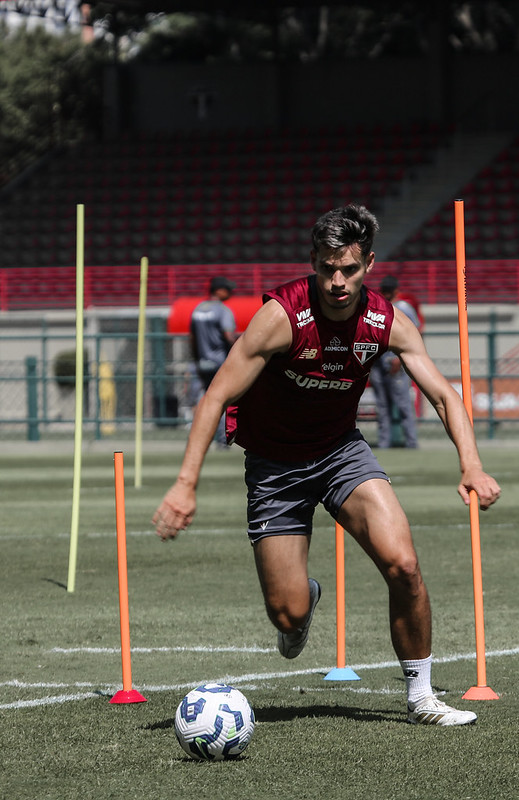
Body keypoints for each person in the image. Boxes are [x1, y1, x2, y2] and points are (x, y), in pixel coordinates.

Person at [153, 204, 501, 727]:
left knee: (404, 566)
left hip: (342, 454)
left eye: (350, 270)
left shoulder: (386, 320)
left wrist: (471, 465)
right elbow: (214, 396)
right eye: (327, 268)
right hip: (274, 467)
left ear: (368, 265)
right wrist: (185, 485)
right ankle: (304, 600)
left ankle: (422, 697)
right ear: (314, 261)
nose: (338, 282)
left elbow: (444, 396)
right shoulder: (281, 317)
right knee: (287, 614)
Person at [369, 275, 420, 448]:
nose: (386, 294)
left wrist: (401, 356)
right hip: (378, 363)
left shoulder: (404, 307)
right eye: (384, 290)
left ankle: (411, 443)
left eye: (389, 291)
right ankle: (384, 443)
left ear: (396, 291)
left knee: (404, 405)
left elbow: (415, 332)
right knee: (382, 407)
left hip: (395, 363)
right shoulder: (378, 306)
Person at [189, 276, 236, 444]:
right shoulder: (222, 310)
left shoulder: (198, 310)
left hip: (202, 364)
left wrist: (197, 361)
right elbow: (228, 336)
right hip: (219, 364)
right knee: (222, 401)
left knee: (203, 401)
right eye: (228, 289)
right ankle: (223, 440)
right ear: (219, 290)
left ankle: (198, 438)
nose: (231, 293)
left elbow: (192, 339)